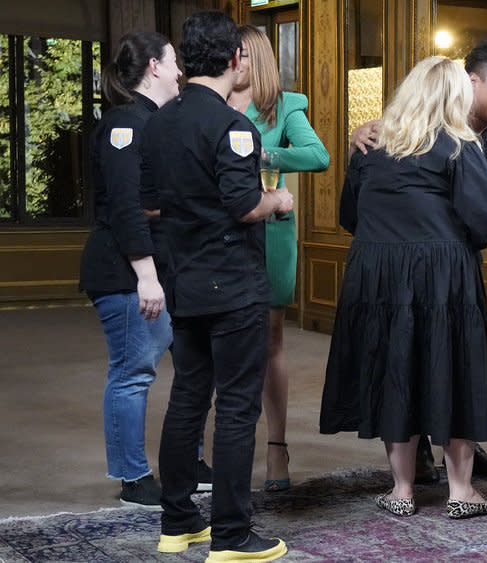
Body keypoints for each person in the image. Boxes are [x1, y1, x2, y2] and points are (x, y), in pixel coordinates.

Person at [320, 56, 487, 520]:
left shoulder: (370, 145)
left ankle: (402, 490)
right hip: (441, 273)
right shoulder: (457, 144)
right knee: (454, 370)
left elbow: (350, 216)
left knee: (395, 371)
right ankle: (461, 491)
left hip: (377, 274)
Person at [142, 11, 292, 561]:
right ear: (235, 60)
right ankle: (231, 536)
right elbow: (244, 205)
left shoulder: (161, 121)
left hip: (183, 279)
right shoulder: (233, 128)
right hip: (232, 285)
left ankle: (178, 522)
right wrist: (278, 200)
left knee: (187, 397)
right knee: (234, 408)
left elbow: (150, 202)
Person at [78, 30, 181, 510]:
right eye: (174, 61)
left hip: (158, 266)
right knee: (133, 371)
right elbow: (123, 206)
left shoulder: (154, 121)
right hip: (125, 271)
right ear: (155, 67)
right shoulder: (126, 123)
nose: (181, 71)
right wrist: (146, 276)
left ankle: (188, 463)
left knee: (187, 367)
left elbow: (152, 199)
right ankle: (133, 478)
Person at [228, 24, 330, 493]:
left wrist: (264, 155)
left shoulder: (286, 105)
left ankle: (276, 446)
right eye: (231, 54)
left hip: (270, 233)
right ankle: (221, 451)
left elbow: (317, 156)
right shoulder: (210, 101)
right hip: (221, 234)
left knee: (269, 339)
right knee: (218, 339)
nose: (234, 61)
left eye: (243, 54)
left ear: (259, 59)